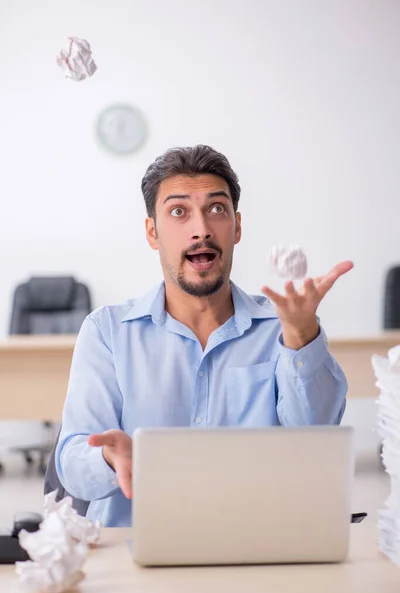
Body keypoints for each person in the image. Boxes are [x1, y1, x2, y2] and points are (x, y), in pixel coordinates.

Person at [55, 145, 353, 527]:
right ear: (152, 232)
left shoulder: (284, 326)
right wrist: (108, 459)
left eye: (216, 209)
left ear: (237, 226)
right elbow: (73, 466)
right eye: (179, 212)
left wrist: (301, 336)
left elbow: (317, 442)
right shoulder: (107, 333)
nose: (202, 229)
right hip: (134, 552)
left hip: (259, 545)